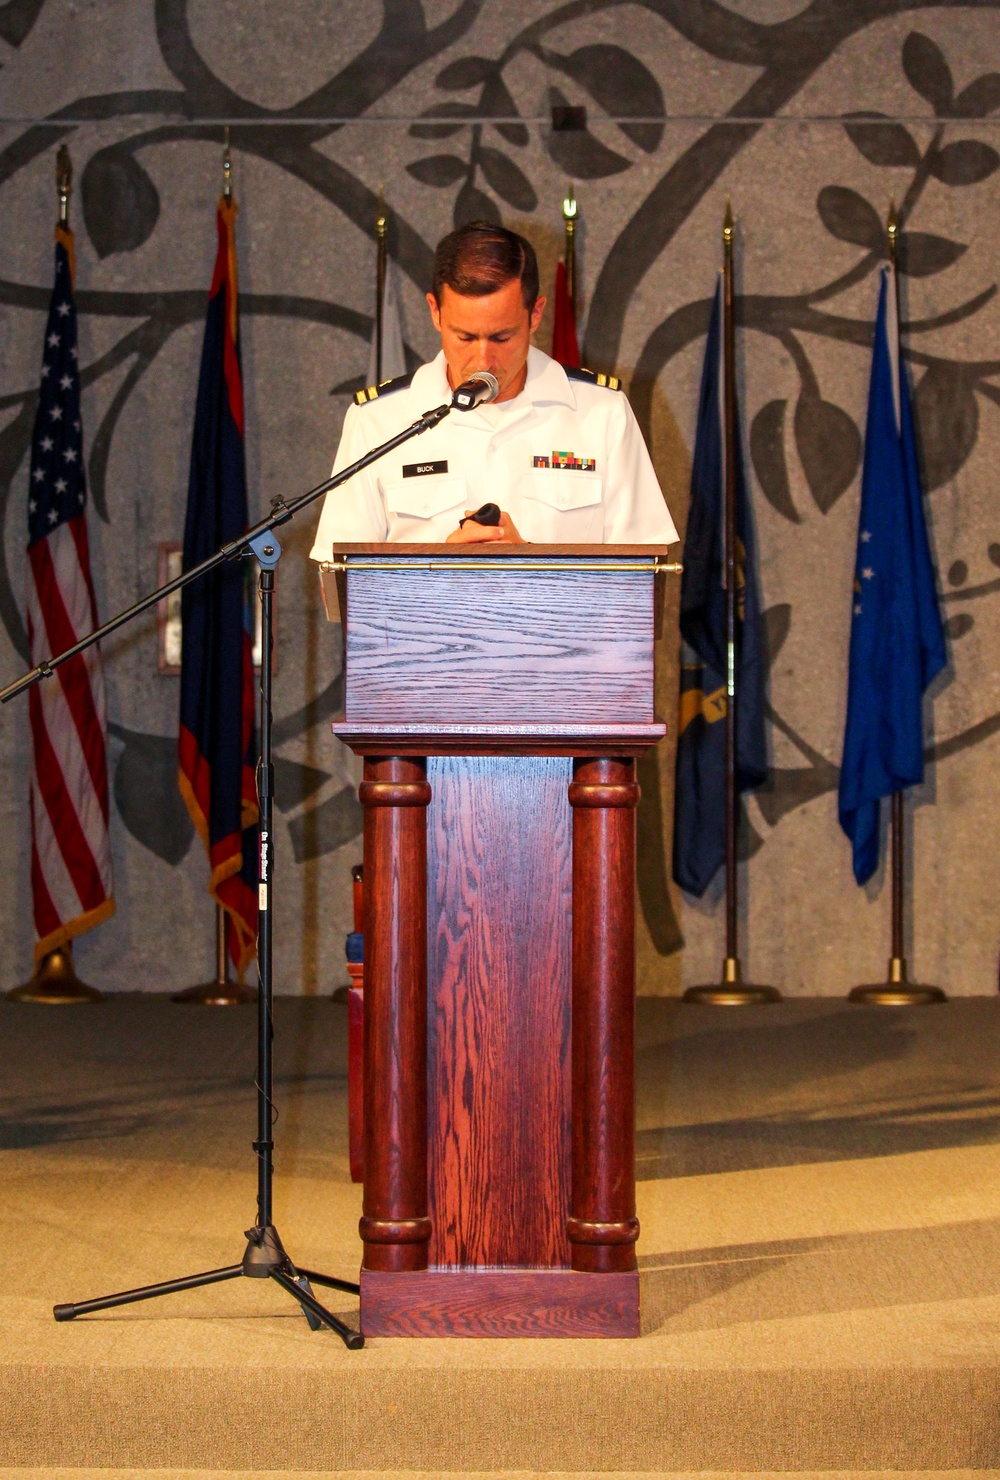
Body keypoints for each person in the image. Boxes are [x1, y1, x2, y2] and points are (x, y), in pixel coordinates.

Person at [309, 221, 678, 555]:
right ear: (435, 312)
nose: (483, 360)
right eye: (465, 336)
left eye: (502, 337)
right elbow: (343, 586)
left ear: (535, 315)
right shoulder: (377, 421)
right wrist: (440, 568)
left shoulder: (602, 413)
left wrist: (527, 561)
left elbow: (640, 584)